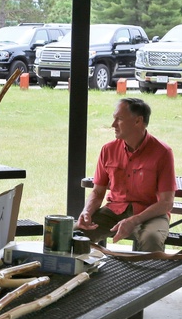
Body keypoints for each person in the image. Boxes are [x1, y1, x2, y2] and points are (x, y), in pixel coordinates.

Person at [75, 97, 176, 252]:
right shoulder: (108, 150)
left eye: (119, 119)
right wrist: (86, 211)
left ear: (138, 121)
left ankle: (149, 277)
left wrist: (134, 220)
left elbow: (166, 203)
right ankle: (83, 275)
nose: (113, 125)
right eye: (114, 119)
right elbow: (97, 191)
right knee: (75, 234)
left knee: (151, 239)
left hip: (151, 214)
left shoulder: (163, 152)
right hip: (114, 210)